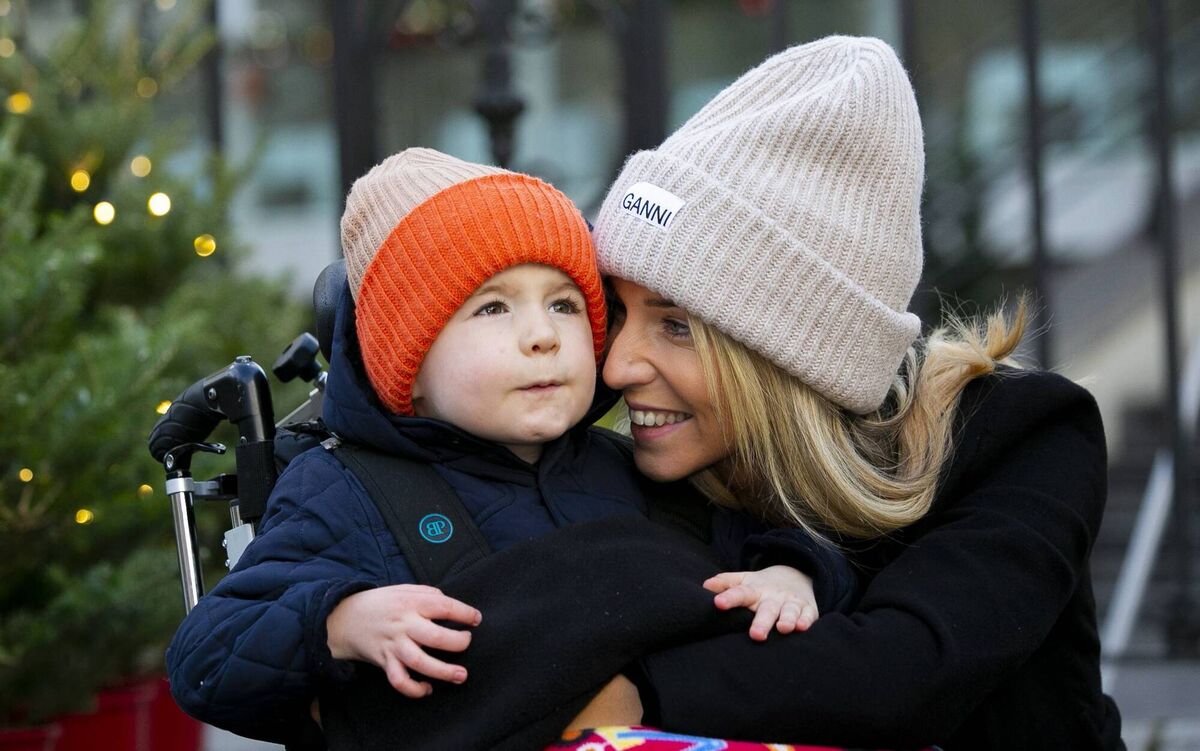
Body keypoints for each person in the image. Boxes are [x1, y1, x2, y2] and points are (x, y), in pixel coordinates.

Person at [164, 148, 854, 748]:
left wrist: (792, 575)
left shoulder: (625, 469)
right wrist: (337, 621)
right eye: (492, 307)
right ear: (410, 366)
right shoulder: (346, 492)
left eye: (564, 304)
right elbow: (206, 656)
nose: (543, 335)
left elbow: (766, 538)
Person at [584, 34, 1124, 750]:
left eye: (676, 325)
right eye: (617, 312)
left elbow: (906, 670)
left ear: (786, 349)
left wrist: (628, 695)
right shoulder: (653, 472)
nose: (618, 367)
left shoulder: (1019, 434)